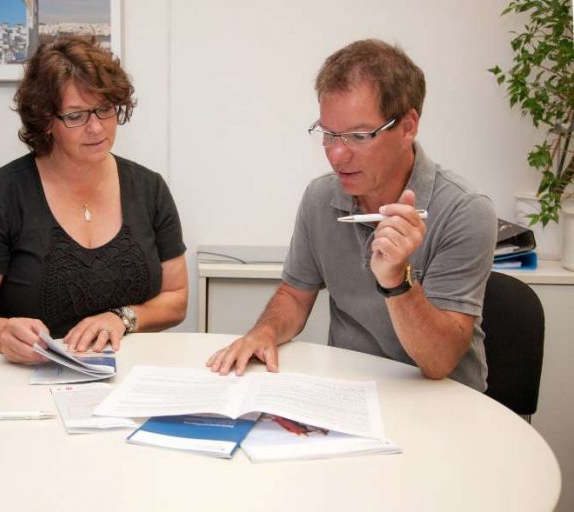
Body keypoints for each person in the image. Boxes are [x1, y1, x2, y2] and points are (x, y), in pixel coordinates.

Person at [207, 39, 497, 391]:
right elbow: (294, 297)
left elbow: (438, 363)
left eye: (359, 136)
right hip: (351, 394)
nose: (337, 155)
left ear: (407, 127)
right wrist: (263, 332)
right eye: (328, 134)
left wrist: (396, 280)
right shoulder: (320, 197)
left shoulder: (465, 211)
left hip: (442, 402)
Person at [0, 37, 188, 364]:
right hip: (28, 378)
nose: (96, 127)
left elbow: (176, 298)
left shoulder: (149, 188)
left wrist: (122, 317)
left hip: (128, 374)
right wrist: (2, 333)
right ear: (46, 121)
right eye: (76, 116)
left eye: (105, 109)